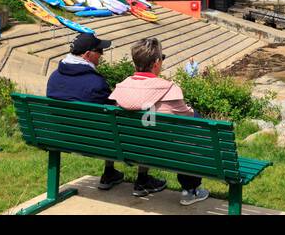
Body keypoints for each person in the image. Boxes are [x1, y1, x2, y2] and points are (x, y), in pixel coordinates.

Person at [45, 32, 164, 194]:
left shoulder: (54, 78)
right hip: (96, 141)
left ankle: (109, 174)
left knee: (108, 127)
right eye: (99, 51)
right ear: (87, 55)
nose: (102, 55)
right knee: (142, 124)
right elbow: (115, 112)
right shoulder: (95, 83)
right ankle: (142, 179)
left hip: (62, 137)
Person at [110, 38, 210, 206]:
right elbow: (192, 120)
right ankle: (190, 190)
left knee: (151, 129)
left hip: (131, 148)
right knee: (192, 133)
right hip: (164, 152)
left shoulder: (120, 88)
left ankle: (143, 180)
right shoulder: (170, 89)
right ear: (156, 62)